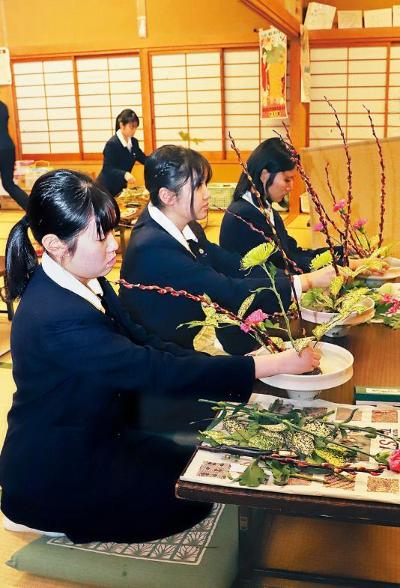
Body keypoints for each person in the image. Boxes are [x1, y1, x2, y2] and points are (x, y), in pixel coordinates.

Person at [0, 169, 320, 544]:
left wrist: (250, 361)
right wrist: (264, 365)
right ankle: (35, 512)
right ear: (55, 244)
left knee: (194, 470)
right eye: (101, 236)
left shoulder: (87, 278)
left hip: (100, 433)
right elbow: (154, 370)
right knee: (189, 502)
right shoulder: (56, 316)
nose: (114, 247)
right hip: (57, 466)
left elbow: (145, 341)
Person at [120, 145, 335, 355]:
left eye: (205, 184)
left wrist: (291, 280)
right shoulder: (152, 246)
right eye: (198, 187)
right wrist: (305, 282)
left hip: (177, 346)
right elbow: (224, 288)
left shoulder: (188, 226)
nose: (207, 194)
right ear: (167, 196)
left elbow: (230, 263)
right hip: (154, 357)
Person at [219, 137, 342, 273]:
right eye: (287, 179)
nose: (291, 187)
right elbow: (285, 264)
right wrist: (341, 264)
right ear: (264, 175)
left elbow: (293, 254)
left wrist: (340, 252)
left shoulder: (267, 211)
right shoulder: (243, 216)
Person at [97, 109, 147, 197]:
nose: (134, 130)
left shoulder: (134, 143)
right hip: (106, 188)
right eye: (131, 127)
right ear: (122, 125)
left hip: (120, 188)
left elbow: (143, 159)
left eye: (136, 127)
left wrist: (157, 160)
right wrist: (124, 174)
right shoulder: (112, 144)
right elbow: (107, 168)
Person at [0, 100, 29, 210]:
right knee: (8, 184)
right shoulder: (3, 105)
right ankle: (33, 210)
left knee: (8, 184)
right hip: (7, 147)